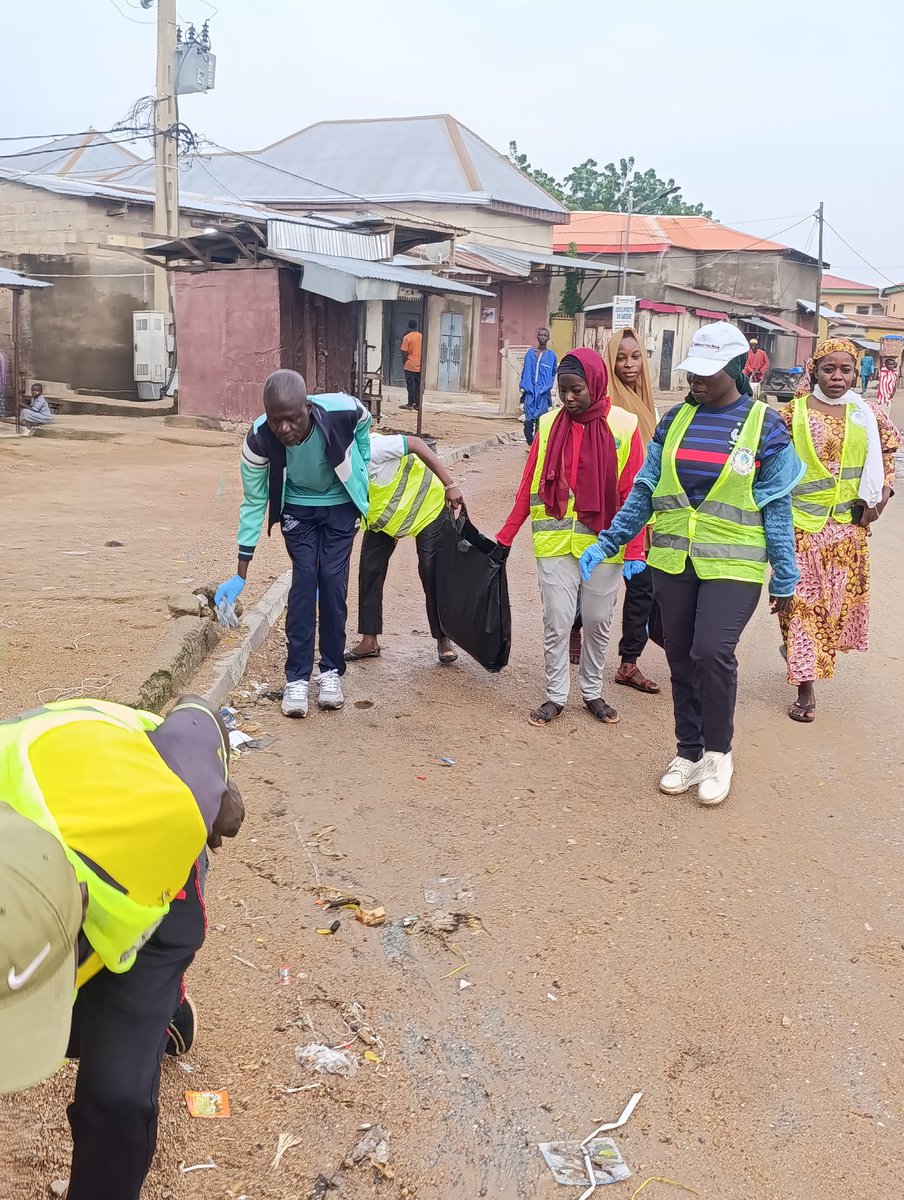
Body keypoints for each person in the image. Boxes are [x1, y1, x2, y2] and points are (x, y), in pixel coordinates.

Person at [0, 695, 244, 1200]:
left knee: (116, 1094)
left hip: (153, 868)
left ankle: (159, 1009)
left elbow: (199, 718)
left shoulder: (169, 804)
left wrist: (216, 796)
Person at [580, 322, 804, 806]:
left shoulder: (765, 424)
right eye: (691, 373)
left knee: (711, 652)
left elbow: (777, 505)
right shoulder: (674, 420)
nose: (695, 382)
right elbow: (645, 489)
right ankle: (688, 750)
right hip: (674, 558)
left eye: (706, 373)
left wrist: (785, 573)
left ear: (735, 368)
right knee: (680, 655)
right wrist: (612, 540)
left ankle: (719, 754)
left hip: (735, 563)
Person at [496, 348, 646, 727]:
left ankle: (592, 691)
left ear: (594, 384)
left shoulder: (625, 426)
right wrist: (506, 534)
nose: (568, 398)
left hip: (604, 545)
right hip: (554, 542)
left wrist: (634, 549)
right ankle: (555, 695)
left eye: (576, 389)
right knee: (558, 620)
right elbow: (529, 483)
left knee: (597, 621)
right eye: (562, 390)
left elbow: (634, 494)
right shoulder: (548, 424)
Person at [215, 369, 371, 718]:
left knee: (332, 583)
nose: (284, 429)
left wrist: (363, 460)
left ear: (308, 408)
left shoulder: (339, 410)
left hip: (340, 507)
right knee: (304, 582)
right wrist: (241, 572)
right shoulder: (257, 442)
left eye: (293, 419)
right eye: (276, 421)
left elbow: (364, 418)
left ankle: (331, 672)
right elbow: (254, 502)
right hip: (298, 509)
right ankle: (296, 679)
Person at [779, 339, 899, 722]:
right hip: (801, 530)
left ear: (855, 372)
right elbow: (773, 465)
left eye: (846, 369)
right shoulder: (792, 413)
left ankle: (805, 657)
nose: (837, 376)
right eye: (829, 368)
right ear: (814, 370)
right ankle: (805, 685)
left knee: (831, 611)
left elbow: (888, 454)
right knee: (799, 606)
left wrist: (881, 499)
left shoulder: (869, 413)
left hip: (848, 532)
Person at [345, 433, 464, 665]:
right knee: (370, 570)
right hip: (386, 521)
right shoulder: (336, 460)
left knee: (430, 569)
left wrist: (450, 484)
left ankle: (443, 638)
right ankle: (369, 640)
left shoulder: (373, 446)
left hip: (427, 507)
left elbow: (417, 444)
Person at [605, 327, 660, 694]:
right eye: (621, 357)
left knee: (642, 587)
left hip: (645, 514)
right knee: (594, 583)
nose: (628, 364)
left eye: (635, 356)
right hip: (610, 511)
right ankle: (576, 635)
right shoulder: (604, 403)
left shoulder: (649, 404)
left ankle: (629, 662)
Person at [519, 328, 557, 446]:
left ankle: (537, 445)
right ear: (537, 337)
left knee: (541, 419)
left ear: (548, 338)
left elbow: (553, 372)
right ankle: (530, 441)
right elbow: (525, 370)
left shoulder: (552, 356)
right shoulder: (530, 353)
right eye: (540, 335)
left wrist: (547, 385)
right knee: (529, 419)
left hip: (543, 393)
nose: (542, 337)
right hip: (530, 391)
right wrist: (523, 385)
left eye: (545, 335)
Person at [399, 319, 423, 410]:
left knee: (410, 385)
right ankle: (417, 404)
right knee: (418, 385)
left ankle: (410, 403)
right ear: (416, 326)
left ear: (409, 326)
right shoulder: (422, 337)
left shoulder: (407, 337)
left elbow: (403, 352)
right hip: (420, 366)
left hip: (410, 365)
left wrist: (404, 362)